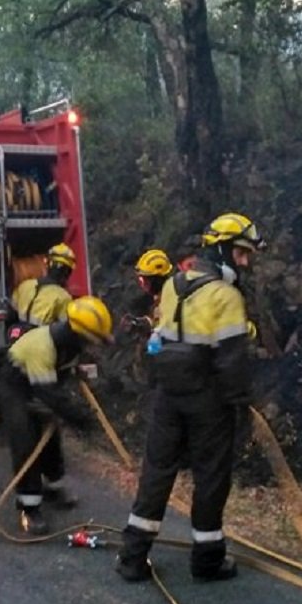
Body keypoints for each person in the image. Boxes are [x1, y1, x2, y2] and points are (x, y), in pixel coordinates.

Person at [116, 212, 265, 583]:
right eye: (241, 253)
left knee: (156, 473)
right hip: (208, 401)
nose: (245, 262)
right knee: (211, 478)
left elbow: (162, 339)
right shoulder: (226, 296)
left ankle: (132, 557)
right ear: (223, 250)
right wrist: (241, 406)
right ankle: (207, 562)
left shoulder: (173, 285)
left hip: (167, 396)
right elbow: (232, 361)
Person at [0, 296, 114, 535]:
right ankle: (29, 508)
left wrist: (74, 371)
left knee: (51, 437)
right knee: (26, 440)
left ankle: (54, 487)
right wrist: (79, 418)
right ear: (82, 334)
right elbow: (49, 394)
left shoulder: (72, 341)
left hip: (40, 383)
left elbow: (61, 367)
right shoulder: (43, 346)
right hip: (16, 385)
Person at [9, 242, 76, 334]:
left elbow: (11, 313)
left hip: (18, 336)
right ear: (67, 272)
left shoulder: (25, 286)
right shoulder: (63, 297)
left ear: (47, 264)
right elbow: (66, 329)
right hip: (41, 340)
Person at [121, 248, 174, 338]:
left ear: (156, 279)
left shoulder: (171, 298)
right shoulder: (162, 297)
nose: (142, 284)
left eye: (144, 280)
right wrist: (143, 323)